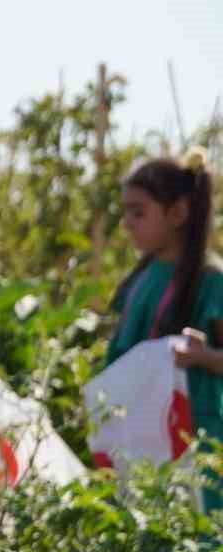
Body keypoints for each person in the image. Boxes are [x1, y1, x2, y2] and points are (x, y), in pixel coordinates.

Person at [105, 148, 223, 509]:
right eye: (126, 212)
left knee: (195, 535)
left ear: (178, 213)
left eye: (138, 212)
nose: (127, 223)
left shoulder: (209, 279)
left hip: (195, 436)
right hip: (142, 428)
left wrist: (203, 357)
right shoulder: (141, 277)